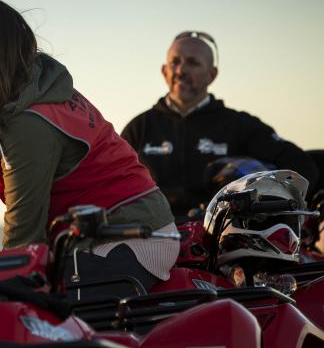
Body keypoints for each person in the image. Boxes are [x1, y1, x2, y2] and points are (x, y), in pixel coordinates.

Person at [0, 0, 178, 295]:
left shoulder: (28, 123)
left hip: (126, 239)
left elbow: (24, 229)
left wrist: (5, 292)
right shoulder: (37, 87)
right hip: (123, 230)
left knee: (40, 325)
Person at [121, 31, 319, 218]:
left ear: (212, 74)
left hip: (222, 241)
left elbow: (301, 167)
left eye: (192, 63)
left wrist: (271, 206)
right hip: (152, 236)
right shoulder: (139, 128)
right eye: (175, 62)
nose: (181, 70)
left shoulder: (239, 125)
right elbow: (109, 182)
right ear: (164, 71)